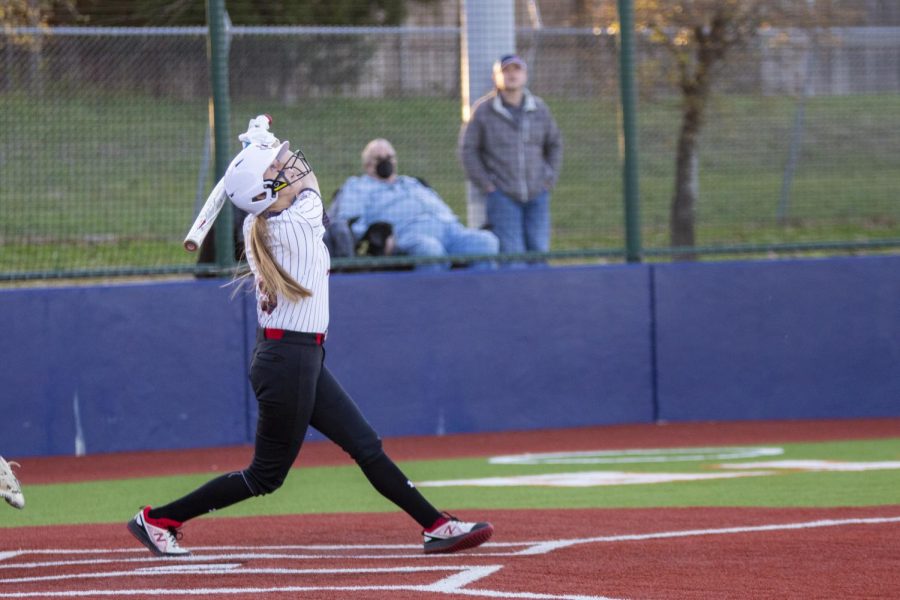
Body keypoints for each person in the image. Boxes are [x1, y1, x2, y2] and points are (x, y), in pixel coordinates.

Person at [126, 136, 494, 557]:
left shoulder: (256, 222)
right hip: (289, 362)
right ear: (264, 191)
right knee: (265, 476)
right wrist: (264, 150)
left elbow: (283, 180)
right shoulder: (295, 226)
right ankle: (158, 520)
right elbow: (309, 179)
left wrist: (260, 144)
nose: (289, 167)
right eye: (276, 170)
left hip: (296, 357)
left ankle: (437, 525)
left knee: (365, 445)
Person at [332, 138, 499, 270]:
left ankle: (479, 302)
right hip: (408, 234)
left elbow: (441, 207)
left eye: (390, 157)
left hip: (450, 230)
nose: (386, 162)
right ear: (367, 165)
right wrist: (378, 240)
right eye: (379, 159)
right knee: (430, 250)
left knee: (487, 242)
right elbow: (350, 222)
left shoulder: (413, 183)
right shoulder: (359, 186)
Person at [459, 54, 563, 256]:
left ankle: (539, 288)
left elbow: (555, 143)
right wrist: (488, 185)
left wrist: (548, 179)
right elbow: (468, 149)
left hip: (538, 194)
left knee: (539, 251)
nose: (512, 74)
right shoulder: (483, 111)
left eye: (517, 69)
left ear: (525, 75)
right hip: (503, 196)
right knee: (512, 254)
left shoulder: (539, 108)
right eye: (506, 70)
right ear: (495, 77)